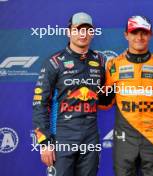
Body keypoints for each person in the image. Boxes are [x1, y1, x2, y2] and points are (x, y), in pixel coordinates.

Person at [103, 15, 153, 176]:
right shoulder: (113, 66)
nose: (139, 37)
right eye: (134, 33)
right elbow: (105, 102)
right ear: (126, 35)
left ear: (150, 34)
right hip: (124, 139)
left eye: (144, 33)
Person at [32, 12, 105, 176]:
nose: (83, 34)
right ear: (69, 32)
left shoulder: (100, 61)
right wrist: (44, 142)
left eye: (87, 30)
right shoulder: (54, 62)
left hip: (90, 138)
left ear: (92, 33)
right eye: (78, 29)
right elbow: (40, 104)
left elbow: (105, 97)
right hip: (62, 138)